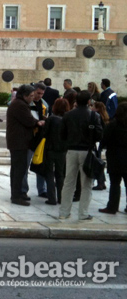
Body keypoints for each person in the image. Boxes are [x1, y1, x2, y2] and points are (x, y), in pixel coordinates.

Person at [58, 91, 103, 221]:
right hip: (87, 151)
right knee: (86, 184)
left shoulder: (68, 115)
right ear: (89, 101)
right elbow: (99, 135)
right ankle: (83, 213)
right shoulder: (94, 115)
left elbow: (62, 134)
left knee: (68, 182)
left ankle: (64, 212)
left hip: (71, 150)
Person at [6, 84, 44, 206]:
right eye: (31, 96)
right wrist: (38, 123)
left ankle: (19, 194)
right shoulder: (20, 105)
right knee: (18, 170)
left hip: (19, 141)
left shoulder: (19, 103)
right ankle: (16, 196)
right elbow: (29, 121)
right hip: (19, 142)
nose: (33, 98)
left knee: (19, 169)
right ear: (24, 95)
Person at [98, 103, 127, 215]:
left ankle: (112, 207)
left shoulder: (113, 124)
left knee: (115, 184)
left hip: (115, 157)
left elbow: (104, 139)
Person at [41, 98, 70, 205]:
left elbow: (44, 134)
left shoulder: (51, 119)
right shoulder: (68, 119)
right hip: (62, 150)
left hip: (50, 149)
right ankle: (61, 198)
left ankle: (51, 198)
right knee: (60, 174)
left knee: (49, 174)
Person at [90, 101, 110, 190]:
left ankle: (100, 183)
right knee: (99, 162)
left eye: (93, 106)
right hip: (100, 142)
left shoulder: (97, 117)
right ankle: (102, 182)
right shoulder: (104, 117)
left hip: (98, 142)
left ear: (97, 108)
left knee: (97, 163)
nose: (91, 108)